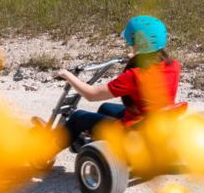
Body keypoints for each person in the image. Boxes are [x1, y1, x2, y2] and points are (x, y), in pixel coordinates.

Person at [55, 14, 182, 148]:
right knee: (106, 108)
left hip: (135, 131)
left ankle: (44, 154)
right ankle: (98, 143)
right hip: (153, 121)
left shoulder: (135, 76)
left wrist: (67, 75)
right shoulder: (173, 65)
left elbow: (92, 94)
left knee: (78, 117)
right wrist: (137, 56)